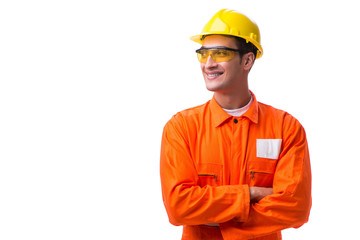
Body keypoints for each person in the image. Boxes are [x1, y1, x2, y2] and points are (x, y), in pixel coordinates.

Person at [160, 9, 311, 240]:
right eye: (203, 54)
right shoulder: (181, 128)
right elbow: (179, 207)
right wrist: (252, 194)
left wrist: (212, 214)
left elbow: (296, 208)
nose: (208, 64)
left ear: (247, 60)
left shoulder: (286, 128)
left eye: (220, 53)